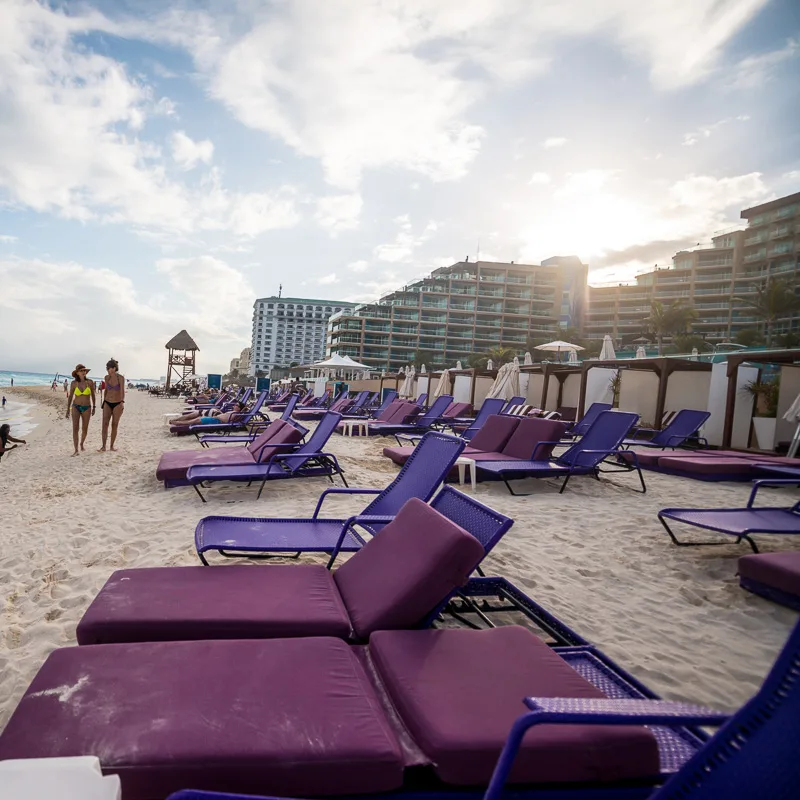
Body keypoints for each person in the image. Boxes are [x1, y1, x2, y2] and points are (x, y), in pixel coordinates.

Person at [66, 364, 95, 456]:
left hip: (87, 407)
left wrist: (94, 407)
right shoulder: (74, 383)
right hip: (75, 407)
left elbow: (93, 395)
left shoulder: (90, 382)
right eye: (81, 370)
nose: (83, 372)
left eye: (84, 370)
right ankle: (76, 450)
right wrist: (67, 409)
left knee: (85, 429)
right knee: (75, 428)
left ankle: (82, 443)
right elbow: (70, 396)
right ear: (77, 373)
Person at [98, 358, 125, 452]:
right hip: (107, 402)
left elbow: (122, 391)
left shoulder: (120, 378)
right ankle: (103, 446)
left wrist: (122, 402)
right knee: (104, 424)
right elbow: (106, 390)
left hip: (117, 403)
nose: (108, 370)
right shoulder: (106, 378)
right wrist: (104, 401)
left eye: (109, 368)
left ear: (114, 368)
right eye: (107, 368)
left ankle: (112, 446)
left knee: (114, 424)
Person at [169, 402, 244, 427]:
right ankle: (175, 420)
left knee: (195, 420)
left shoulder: (235, 414)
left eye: (236, 405)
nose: (234, 405)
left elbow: (225, 420)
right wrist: (219, 413)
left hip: (216, 420)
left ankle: (177, 423)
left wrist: (217, 416)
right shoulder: (233, 412)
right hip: (215, 417)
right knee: (193, 417)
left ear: (239, 408)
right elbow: (224, 416)